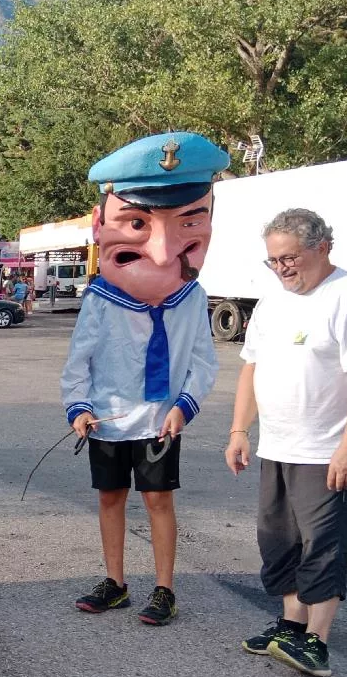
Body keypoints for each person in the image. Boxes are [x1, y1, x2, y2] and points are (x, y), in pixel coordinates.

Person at [60, 132, 227, 625]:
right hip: (108, 421)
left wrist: (184, 406)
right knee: (110, 498)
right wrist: (79, 407)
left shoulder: (191, 299)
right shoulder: (100, 300)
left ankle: (164, 588)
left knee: (158, 500)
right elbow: (78, 364)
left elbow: (204, 362)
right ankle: (115, 581)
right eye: (137, 221)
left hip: (159, 420)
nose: (160, 248)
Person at [226, 208, 347, 677]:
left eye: (290, 258)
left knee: (324, 544)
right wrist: (239, 430)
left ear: (323, 247)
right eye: (273, 261)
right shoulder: (273, 302)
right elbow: (251, 367)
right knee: (278, 541)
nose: (282, 268)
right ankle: (290, 627)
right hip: (279, 443)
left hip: (328, 447)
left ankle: (317, 642)